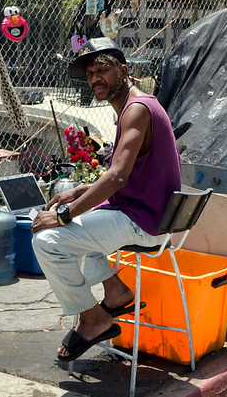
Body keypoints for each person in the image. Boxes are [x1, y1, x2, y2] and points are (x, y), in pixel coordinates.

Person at [32, 37, 181, 362]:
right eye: (90, 75)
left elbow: (117, 178)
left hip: (145, 222)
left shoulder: (137, 110)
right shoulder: (137, 106)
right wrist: (77, 192)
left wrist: (63, 215)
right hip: (146, 214)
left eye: (102, 70)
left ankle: (95, 319)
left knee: (48, 240)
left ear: (123, 70)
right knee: (82, 225)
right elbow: (120, 174)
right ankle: (115, 292)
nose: (95, 79)